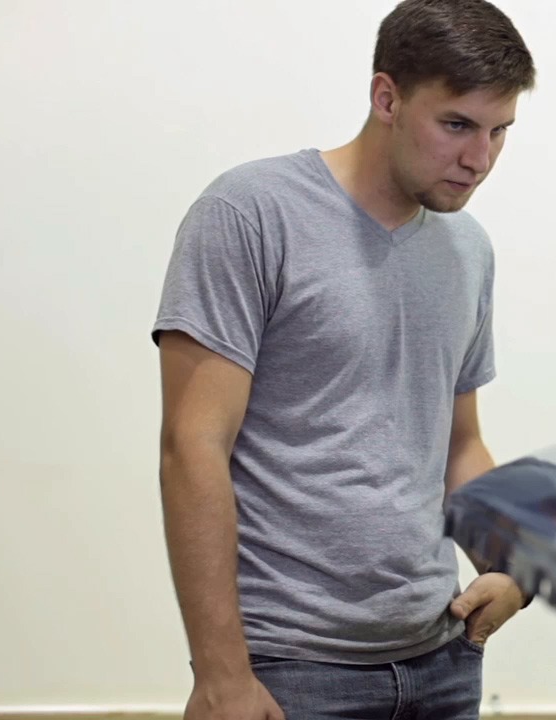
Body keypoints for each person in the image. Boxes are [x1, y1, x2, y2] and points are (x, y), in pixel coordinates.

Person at [151, 1, 534, 717]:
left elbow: (460, 442)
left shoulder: (467, 247)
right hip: (289, 669)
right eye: (456, 125)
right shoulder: (251, 213)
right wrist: (221, 674)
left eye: (499, 131)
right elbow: (191, 447)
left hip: (443, 657)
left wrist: (512, 567)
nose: (479, 158)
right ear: (385, 96)